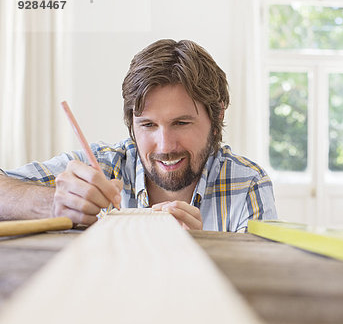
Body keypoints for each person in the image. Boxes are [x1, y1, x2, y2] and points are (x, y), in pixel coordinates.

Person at [0, 39, 277, 232]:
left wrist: (204, 249)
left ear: (217, 118)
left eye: (181, 123)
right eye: (148, 125)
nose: (165, 146)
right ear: (131, 124)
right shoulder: (102, 167)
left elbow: (262, 293)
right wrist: (52, 204)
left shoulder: (247, 184)